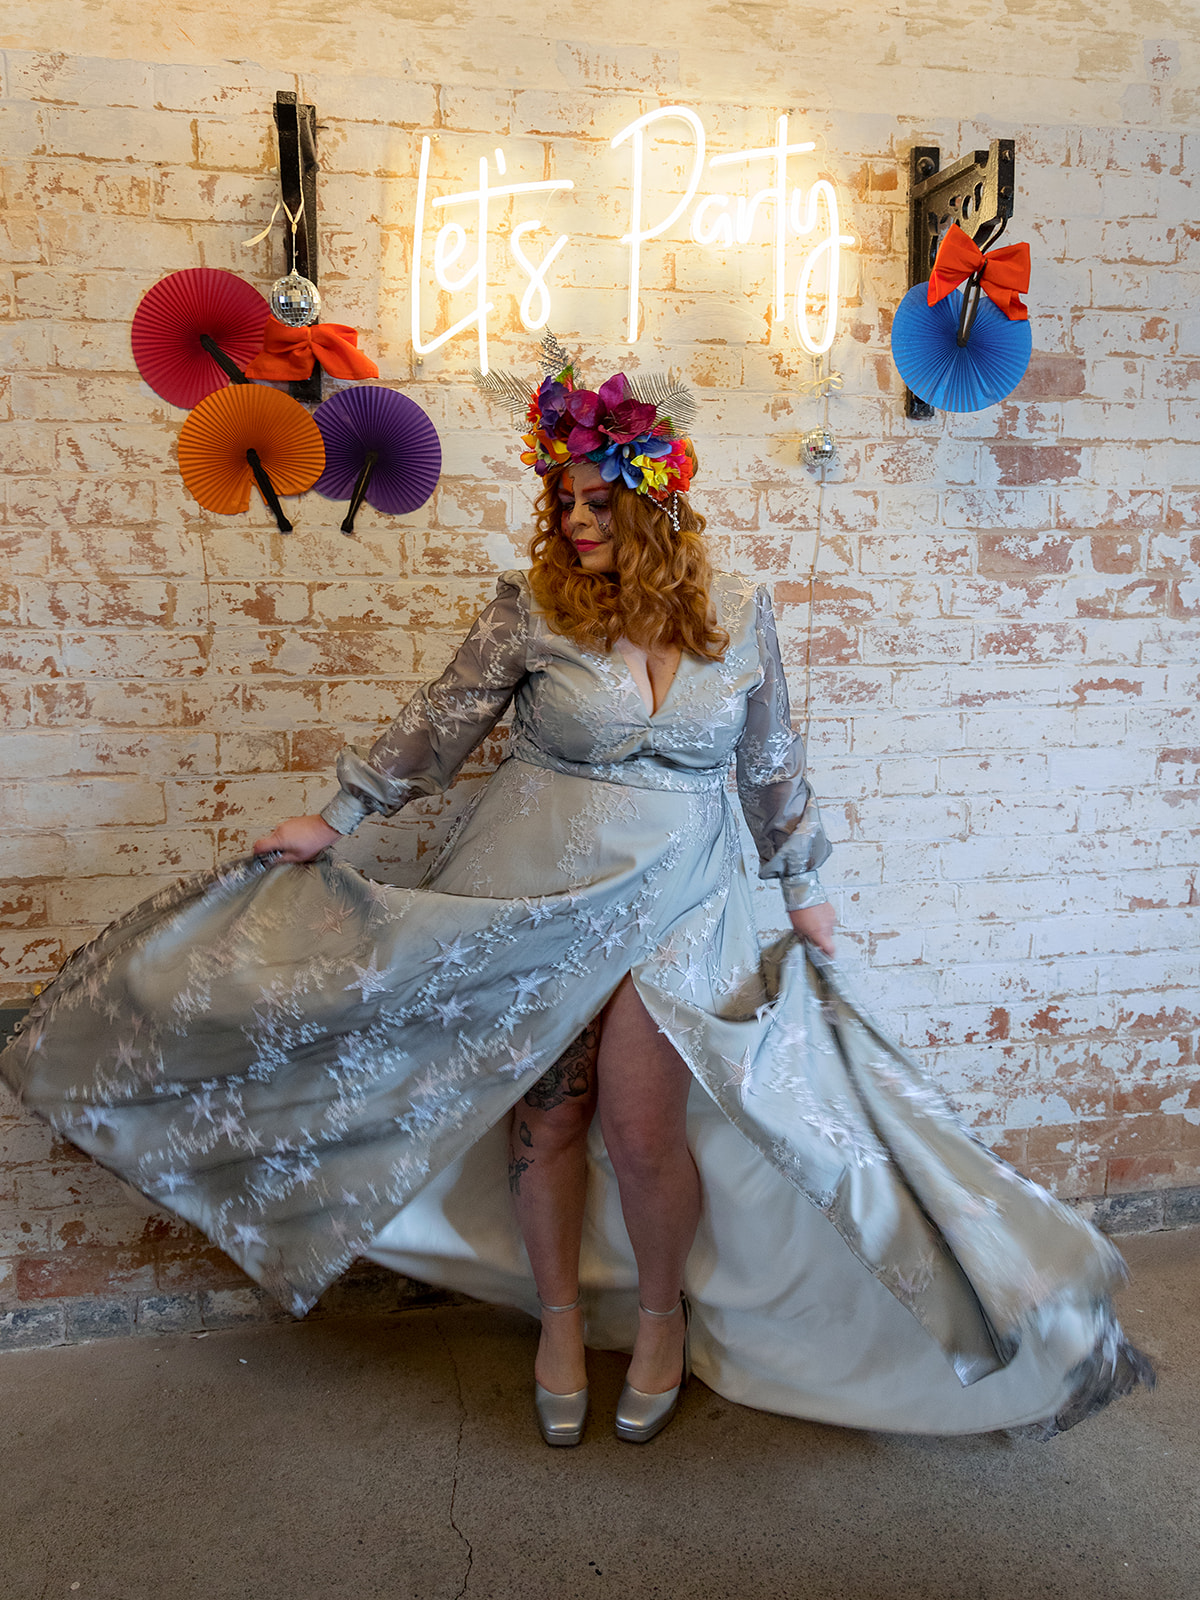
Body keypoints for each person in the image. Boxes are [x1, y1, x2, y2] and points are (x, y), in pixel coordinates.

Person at [0, 344, 1150, 1447]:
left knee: (644, 1129)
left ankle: (657, 1323)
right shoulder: (529, 607)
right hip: (536, 899)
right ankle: (557, 1325)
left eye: (600, 504)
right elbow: (435, 728)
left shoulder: (740, 615)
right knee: (546, 1115)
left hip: (688, 899)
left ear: (657, 504)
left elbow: (771, 763)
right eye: (565, 505)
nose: (578, 524)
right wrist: (338, 817)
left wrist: (803, 884)